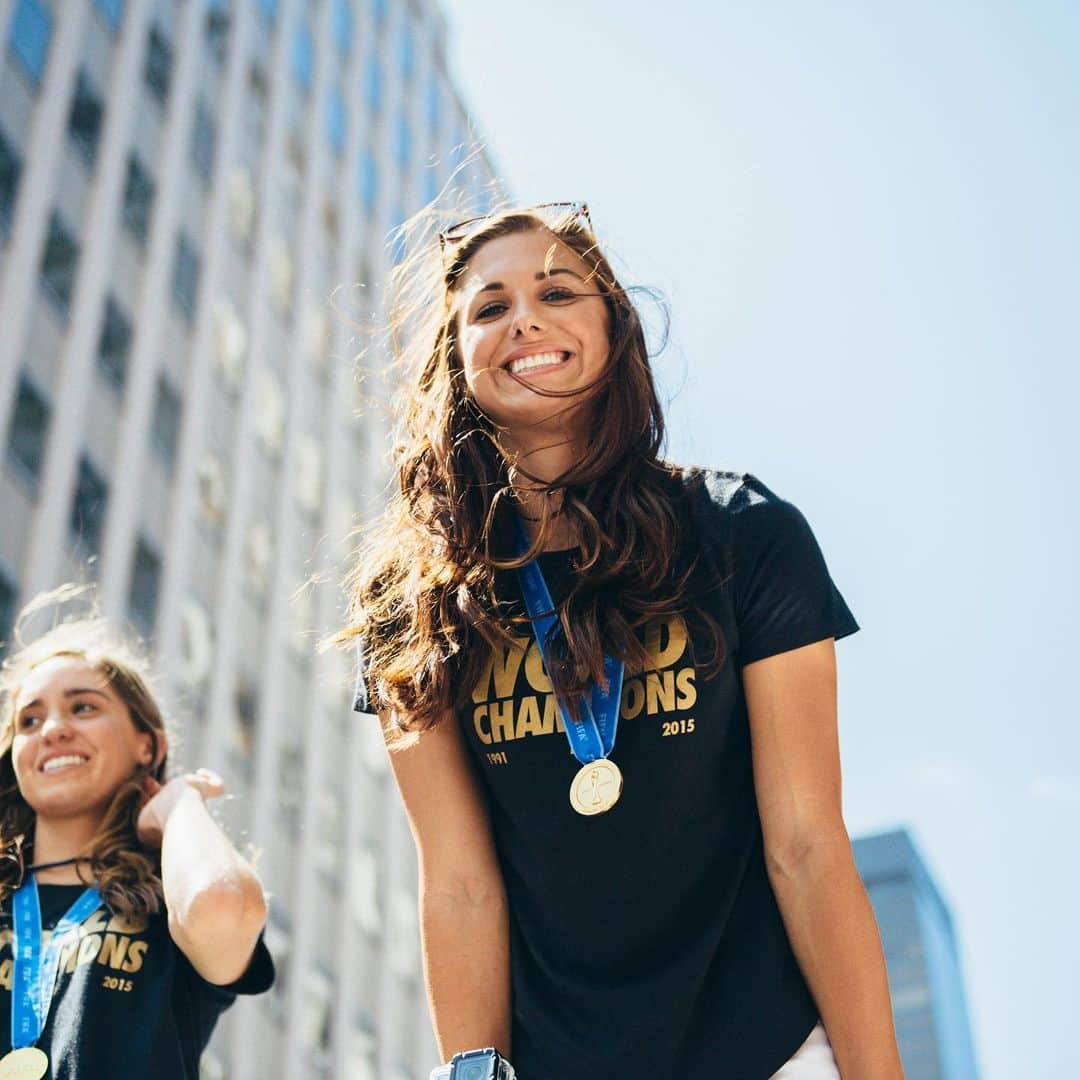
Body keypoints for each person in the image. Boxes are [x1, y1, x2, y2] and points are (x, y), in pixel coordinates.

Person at [343, 202, 904, 1079]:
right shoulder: (411, 604)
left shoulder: (743, 533)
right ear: (456, 362)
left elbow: (806, 844)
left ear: (614, 331)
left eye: (557, 291)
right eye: (488, 308)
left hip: (772, 1050)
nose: (523, 317)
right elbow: (458, 882)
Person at [0, 590, 274, 1079]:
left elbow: (226, 905)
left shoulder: (169, 901)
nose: (53, 730)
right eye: (30, 720)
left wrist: (178, 803)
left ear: (147, 744)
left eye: (83, 708)